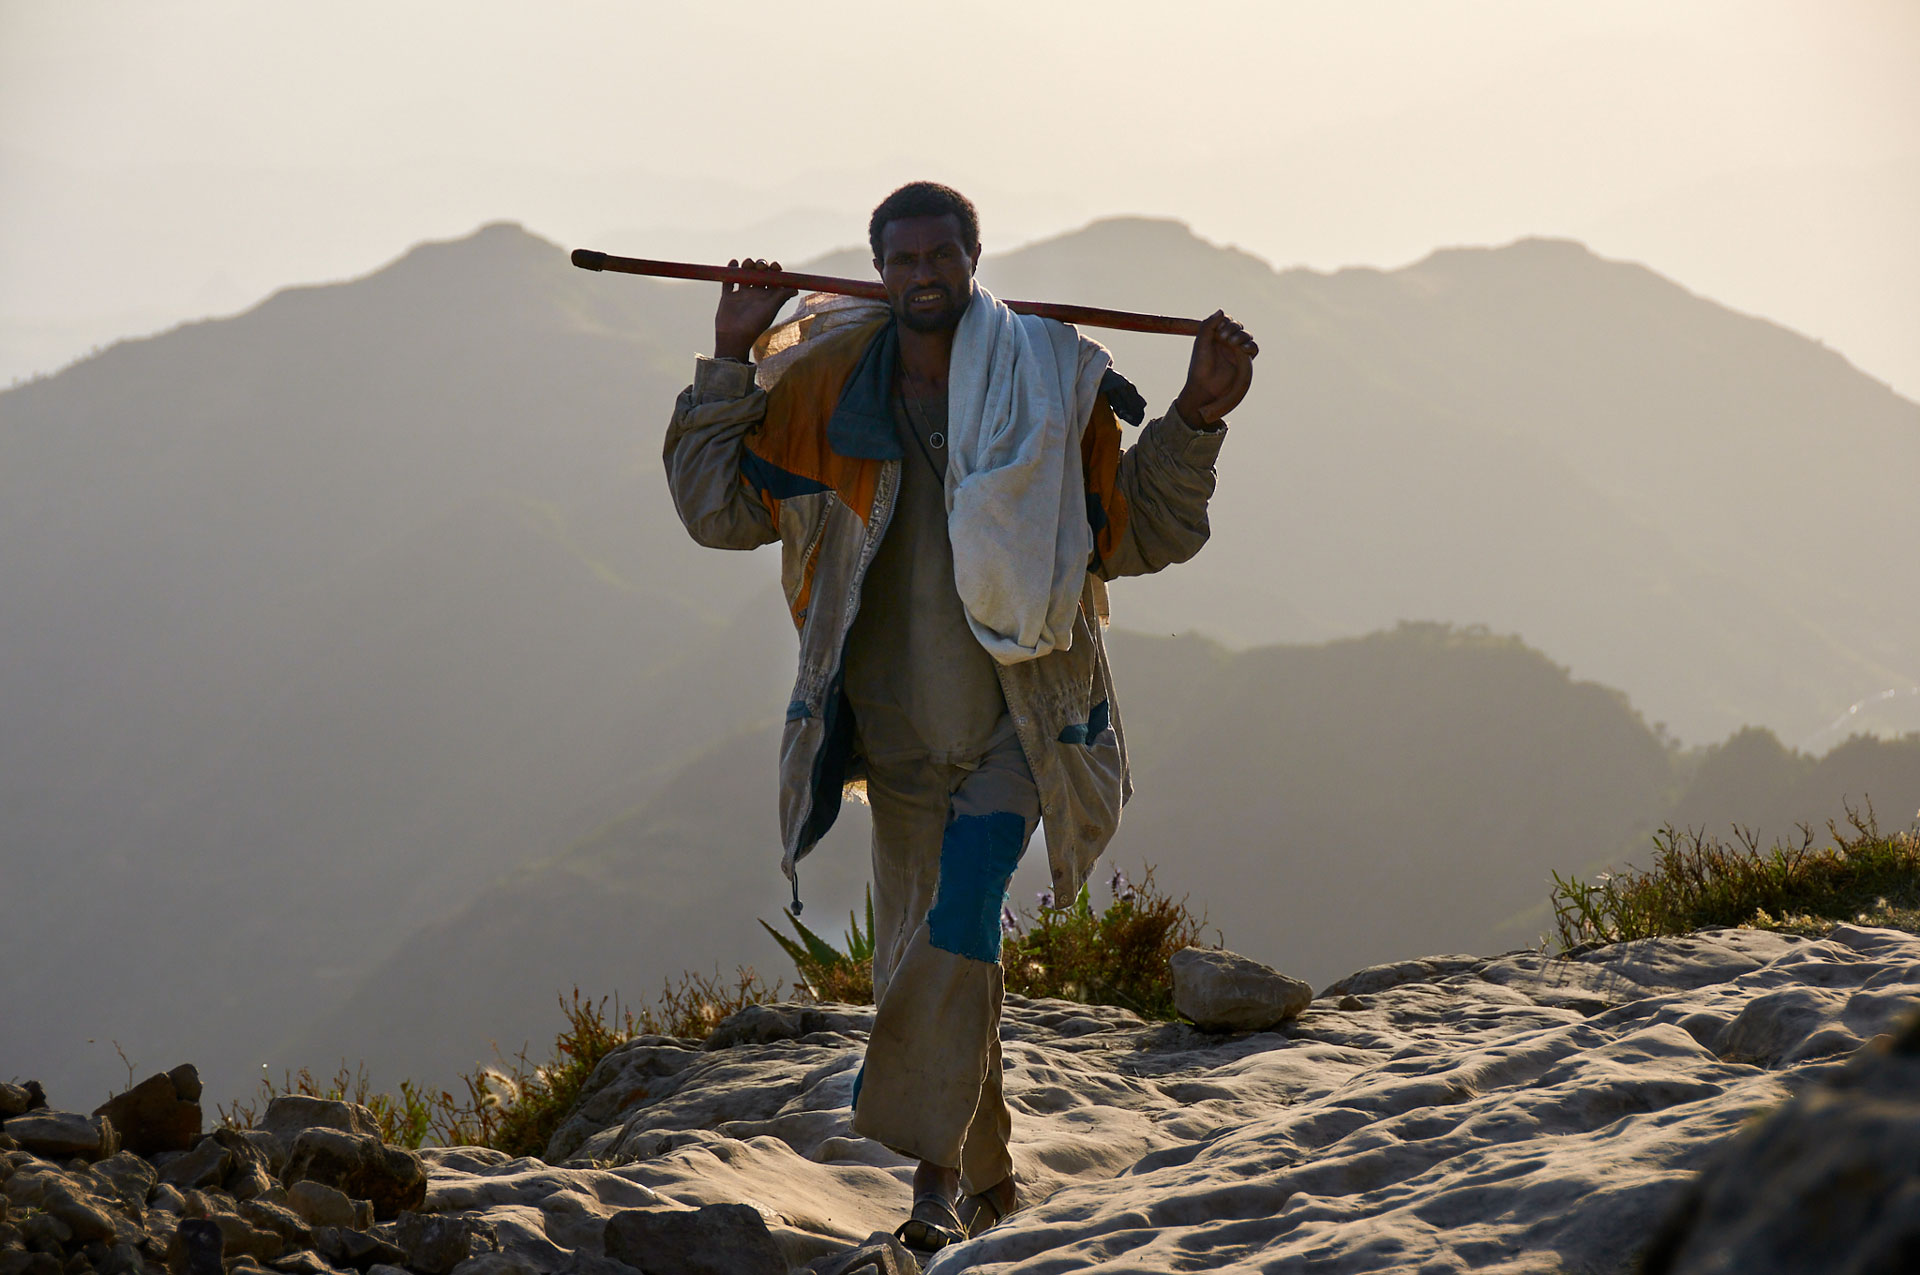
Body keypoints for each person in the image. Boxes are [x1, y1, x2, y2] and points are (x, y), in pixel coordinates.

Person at [662, 181, 1256, 1250]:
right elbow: (717, 511)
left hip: (1022, 727)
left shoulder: (1045, 381)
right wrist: (730, 352)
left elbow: (1131, 536)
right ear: (879, 269)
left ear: (974, 261)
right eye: (903, 261)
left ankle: (932, 1190)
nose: (923, 276)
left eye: (943, 256)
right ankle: (992, 1183)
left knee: (965, 914)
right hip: (892, 745)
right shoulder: (827, 387)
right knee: (927, 963)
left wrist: (1200, 413)